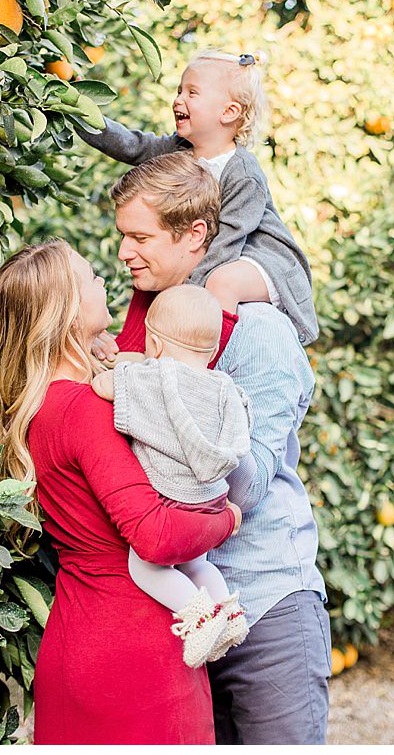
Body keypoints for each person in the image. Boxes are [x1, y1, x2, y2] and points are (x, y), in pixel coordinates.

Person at [0, 239, 242, 745]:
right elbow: (154, 537)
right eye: (91, 276)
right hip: (136, 657)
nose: (105, 277)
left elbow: (154, 330)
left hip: (78, 641)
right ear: (69, 311)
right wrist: (227, 519)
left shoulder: (44, 406)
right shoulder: (87, 410)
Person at [107, 152, 331, 745]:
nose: (125, 252)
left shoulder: (258, 331)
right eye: (122, 236)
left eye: (140, 237)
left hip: (264, 604)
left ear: (195, 236)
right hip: (184, 611)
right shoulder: (145, 324)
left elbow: (248, 486)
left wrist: (173, 392)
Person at [74, 50, 318, 365]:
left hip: (261, 258)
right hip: (221, 250)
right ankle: (144, 350)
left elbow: (230, 238)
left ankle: (202, 364)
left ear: (229, 112)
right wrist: (76, 109)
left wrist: (185, 293)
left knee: (219, 282)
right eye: (179, 90)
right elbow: (131, 144)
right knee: (162, 268)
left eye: (192, 92)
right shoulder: (178, 149)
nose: (178, 99)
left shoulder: (242, 173)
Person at [92, 283, 254, 668]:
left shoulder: (152, 381)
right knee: (197, 563)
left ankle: (199, 617)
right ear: (212, 350)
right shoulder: (224, 388)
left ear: (157, 347)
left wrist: (113, 369)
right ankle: (229, 613)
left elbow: (102, 385)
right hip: (213, 499)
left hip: (174, 500)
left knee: (146, 567)